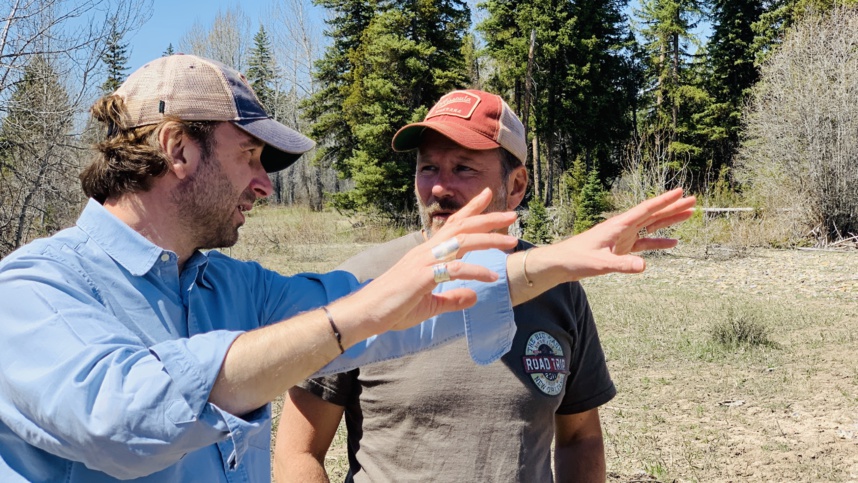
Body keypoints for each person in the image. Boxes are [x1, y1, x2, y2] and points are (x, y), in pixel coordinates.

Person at [0, 55, 694, 482]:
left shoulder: (223, 286)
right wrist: (352, 316)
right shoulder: (35, 291)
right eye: (250, 156)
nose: (266, 184)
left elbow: (404, 313)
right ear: (178, 149)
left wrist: (557, 259)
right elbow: (120, 420)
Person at [274, 89, 621, 482]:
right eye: (428, 168)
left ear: (517, 184)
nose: (439, 188)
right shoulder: (361, 282)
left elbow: (581, 437)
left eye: (463, 169)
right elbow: (297, 452)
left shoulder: (556, 287)